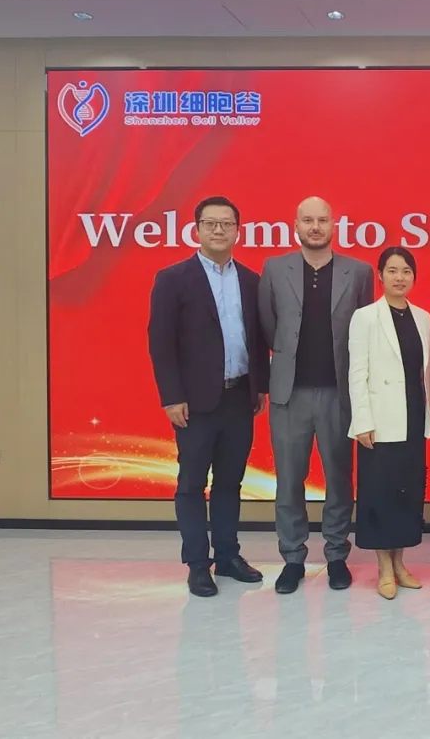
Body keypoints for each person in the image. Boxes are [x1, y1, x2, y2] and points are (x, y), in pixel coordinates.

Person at [147, 196, 270, 597]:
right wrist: (171, 396)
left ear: (238, 230)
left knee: (230, 483)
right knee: (191, 483)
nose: (219, 230)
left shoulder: (251, 280)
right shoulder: (173, 278)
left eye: (226, 224)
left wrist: (260, 387)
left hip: (239, 398)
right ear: (197, 229)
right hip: (194, 403)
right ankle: (198, 563)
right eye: (210, 223)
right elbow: (161, 343)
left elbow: (258, 338)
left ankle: (229, 555)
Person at [258, 197, 374, 595]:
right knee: (289, 479)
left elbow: (364, 333)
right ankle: (293, 558)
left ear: (333, 225)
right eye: (307, 220)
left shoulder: (359, 272)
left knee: (339, 478)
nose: (315, 227)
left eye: (322, 220)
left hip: (338, 392)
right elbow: (269, 325)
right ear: (295, 225)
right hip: (289, 393)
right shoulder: (275, 269)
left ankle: (337, 555)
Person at [348, 246, 430, 600]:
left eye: (406, 271)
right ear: (380, 275)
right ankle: (383, 567)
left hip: (413, 416)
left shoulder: (423, 317)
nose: (399, 277)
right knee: (380, 493)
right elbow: (356, 372)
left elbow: (428, 372)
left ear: (413, 277)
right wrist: (362, 420)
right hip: (380, 419)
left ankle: (400, 563)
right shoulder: (365, 317)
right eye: (392, 271)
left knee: (407, 493)